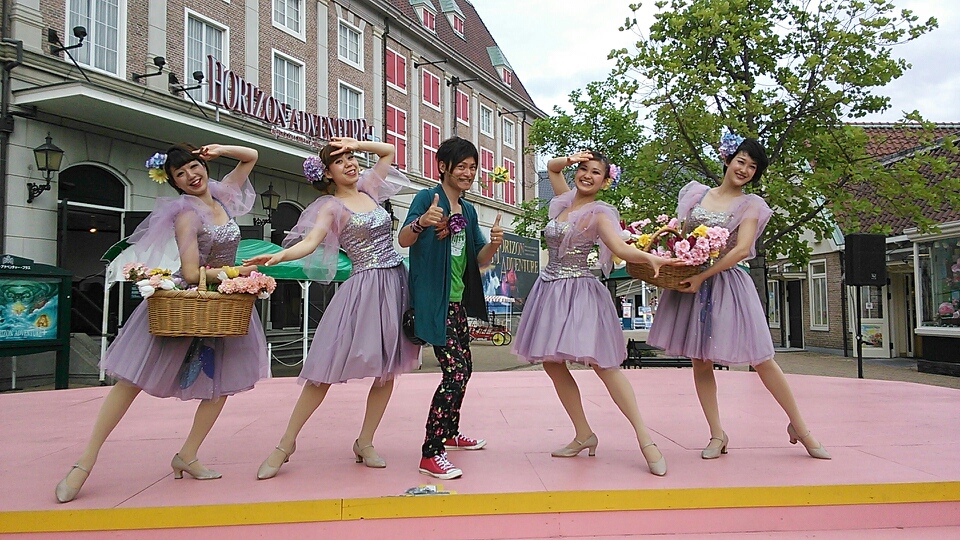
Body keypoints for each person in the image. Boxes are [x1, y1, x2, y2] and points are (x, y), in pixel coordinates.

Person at [55, 144, 269, 503]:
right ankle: (84, 462)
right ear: (174, 183)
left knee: (221, 385)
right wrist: (238, 273)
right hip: (185, 302)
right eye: (180, 174)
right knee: (131, 381)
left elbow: (251, 156)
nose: (191, 176)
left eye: (194, 166)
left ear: (204, 164)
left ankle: (187, 455)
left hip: (223, 303)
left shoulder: (223, 197)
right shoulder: (186, 215)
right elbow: (190, 272)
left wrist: (220, 149)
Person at [647, 135, 830, 460]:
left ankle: (800, 427)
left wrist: (703, 276)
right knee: (700, 361)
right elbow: (683, 237)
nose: (744, 169)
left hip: (727, 286)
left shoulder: (751, 205)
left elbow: (743, 249)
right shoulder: (696, 194)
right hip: (691, 284)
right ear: (728, 160)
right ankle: (717, 434)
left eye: (752, 166)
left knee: (761, 359)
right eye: (741, 161)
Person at [246, 137, 420, 479]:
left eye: (351, 158)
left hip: (396, 284)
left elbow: (388, 152)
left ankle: (365, 441)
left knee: (388, 369)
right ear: (327, 173)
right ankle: (285, 444)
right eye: (340, 161)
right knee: (324, 368)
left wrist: (357, 144)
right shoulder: (331, 207)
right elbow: (310, 243)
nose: (350, 163)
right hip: (363, 288)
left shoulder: (370, 189)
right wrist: (279, 256)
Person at [512, 150, 678, 477]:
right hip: (549, 291)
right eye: (584, 169)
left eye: (596, 172)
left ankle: (646, 440)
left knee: (605, 366)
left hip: (579, 293)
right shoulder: (563, 201)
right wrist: (571, 159)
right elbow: (552, 168)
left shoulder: (600, 213)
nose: (587, 175)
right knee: (552, 363)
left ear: (605, 181)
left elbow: (620, 248)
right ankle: (583, 433)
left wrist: (650, 258)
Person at [398, 136, 503, 480]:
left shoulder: (468, 210)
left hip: (457, 302)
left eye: (472, 167)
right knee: (455, 372)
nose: (468, 173)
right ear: (443, 167)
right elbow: (404, 239)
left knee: (465, 368)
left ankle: (450, 433)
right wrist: (422, 222)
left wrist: (495, 245)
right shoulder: (427, 198)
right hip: (434, 299)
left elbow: (478, 257)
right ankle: (431, 452)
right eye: (462, 167)